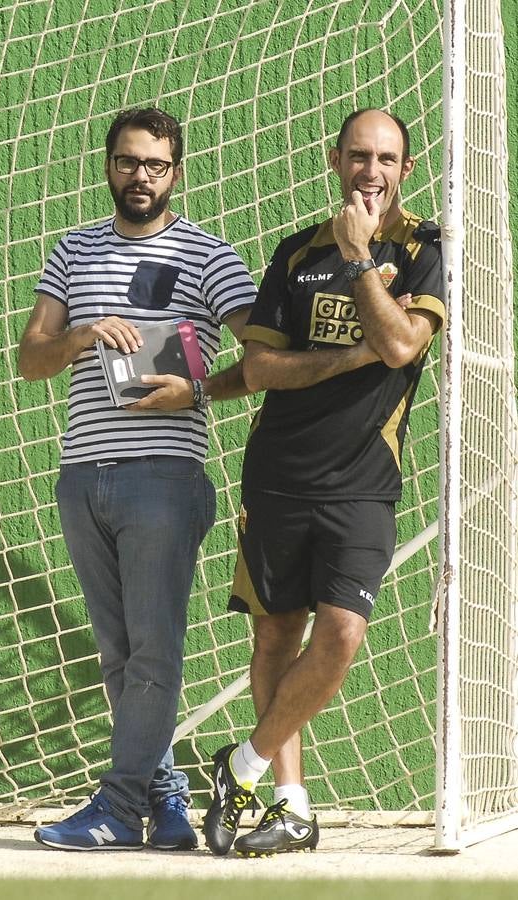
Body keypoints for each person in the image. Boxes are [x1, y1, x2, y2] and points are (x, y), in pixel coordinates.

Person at [202, 108, 445, 857]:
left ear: (405, 169)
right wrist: (357, 354)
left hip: (364, 484)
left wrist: (358, 257)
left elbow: (404, 344)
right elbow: (263, 368)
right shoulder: (291, 254)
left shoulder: (426, 250)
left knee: (338, 636)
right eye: (358, 155)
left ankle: (239, 766)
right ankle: (291, 805)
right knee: (276, 634)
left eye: (386, 158)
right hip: (277, 476)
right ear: (333, 160)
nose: (370, 170)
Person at [18, 107, 257, 852]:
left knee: (153, 649)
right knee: (119, 655)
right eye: (127, 162)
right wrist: (84, 332)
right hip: (81, 474)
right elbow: (30, 358)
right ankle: (168, 805)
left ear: (176, 173)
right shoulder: (73, 251)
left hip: (164, 476)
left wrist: (198, 391)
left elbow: (263, 359)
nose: (140, 177)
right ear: (109, 166)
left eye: (154, 165)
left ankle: (120, 809)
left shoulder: (210, 256)